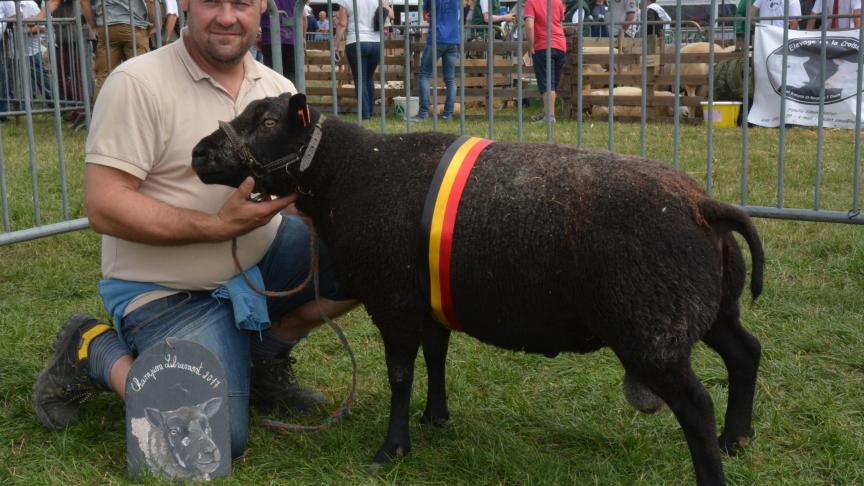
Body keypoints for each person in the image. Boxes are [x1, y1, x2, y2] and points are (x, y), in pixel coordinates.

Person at [31, 0, 356, 461]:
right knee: (219, 440)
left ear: (261, 6)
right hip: (165, 291)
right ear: (184, 4)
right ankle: (91, 346)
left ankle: (263, 358)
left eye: (241, 3)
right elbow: (104, 205)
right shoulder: (137, 83)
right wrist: (215, 225)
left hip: (255, 266)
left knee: (363, 254)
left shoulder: (277, 88)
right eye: (211, 2)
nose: (227, 16)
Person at [80, 0, 156, 101]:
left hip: (106, 27)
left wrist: (94, 26)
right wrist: (155, 23)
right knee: (141, 75)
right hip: (135, 26)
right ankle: (142, 113)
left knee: (104, 76)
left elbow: (83, 2)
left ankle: (101, 114)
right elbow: (151, 2)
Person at [334, 0, 394, 120]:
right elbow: (391, 15)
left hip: (355, 41)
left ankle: (365, 114)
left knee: (360, 80)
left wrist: (335, 45)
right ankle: (370, 111)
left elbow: (342, 24)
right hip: (376, 42)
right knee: (368, 78)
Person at [411, 0, 461, 121]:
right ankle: (447, 114)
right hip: (453, 40)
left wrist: (429, 15)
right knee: (450, 79)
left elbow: (425, 15)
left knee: (424, 75)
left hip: (437, 38)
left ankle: (423, 113)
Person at [0, 1, 54, 105]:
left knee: (40, 77)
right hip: (13, 50)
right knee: (16, 80)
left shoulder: (30, 4)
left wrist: (26, 31)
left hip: (31, 50)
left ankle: (52, 100)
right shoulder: (6, 4)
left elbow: (43, 26)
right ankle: (24, 103)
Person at [525, 0, 566, 122]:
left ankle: (550, 116)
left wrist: (531, 46)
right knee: (553, 82)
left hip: (543, 45)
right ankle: (546, 112)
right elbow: (560, 23)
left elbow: (529, 26)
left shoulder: (531, 2)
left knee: (547, 83)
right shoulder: (557, 2)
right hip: (560, 45)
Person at [260, 0, 304, 81]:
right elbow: (303, 17)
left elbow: (259, 11)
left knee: (272, 75)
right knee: (291, 74)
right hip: (291, 38)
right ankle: (291, 92)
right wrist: (302, 37)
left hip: (269, 37)